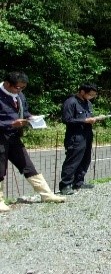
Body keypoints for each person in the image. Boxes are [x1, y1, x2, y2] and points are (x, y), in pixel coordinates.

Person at [0, 71, 65, 212]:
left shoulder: (19, 95)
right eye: (18, 87)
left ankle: (46, 194)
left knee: (27, 165)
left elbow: (25, 111)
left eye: (23, 88)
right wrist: (10, 124)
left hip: (14, 136)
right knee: (0, 168)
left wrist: (31, 117)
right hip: (1, 136)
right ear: (7, 83)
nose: (20, 90)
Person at [59, 83, 100, 195]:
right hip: (75, 136)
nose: (91, 97)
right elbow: (67, 119)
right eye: (90, 94)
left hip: (87, 134)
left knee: (85, 159)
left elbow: (88, 117)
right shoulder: (71, 102)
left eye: (93, 95)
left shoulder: (88, 104)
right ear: (82, 92)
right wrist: (84, 121)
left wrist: (94, 119)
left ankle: (79, 182)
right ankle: (65, 184)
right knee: (73, 160)